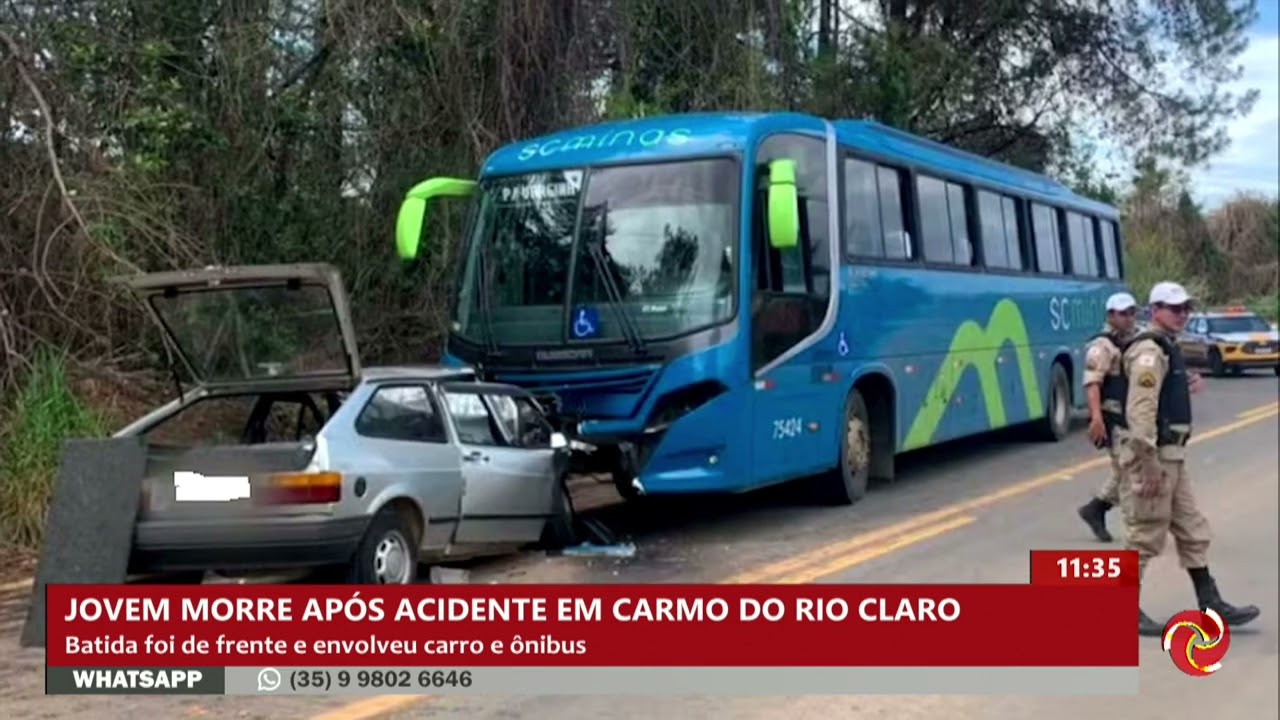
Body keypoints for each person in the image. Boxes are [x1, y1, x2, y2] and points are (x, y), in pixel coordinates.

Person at [1118, 281, 1261, 636]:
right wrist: (1148, 462)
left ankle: (1210, 602)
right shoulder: (1149, 352)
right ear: (1155, 311)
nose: (1182, 314)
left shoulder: (1167, 347)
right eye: (1174, 308)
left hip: (1173, 456)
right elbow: (1140, 411)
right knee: (1144, 533)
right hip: (1155, 457)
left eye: (1186, 308)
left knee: (1191, 529)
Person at [1076, 291, 1140, 542]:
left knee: (1125, 469)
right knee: (1129, 475)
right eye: (1123, 313)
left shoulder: (1132, 341)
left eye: (1131, 312)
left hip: (1131, 417)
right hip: (1114, 419)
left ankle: (1096, 509)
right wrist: (1096, 418)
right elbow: (1092, 383)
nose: (1128, 318)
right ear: (1111, 316)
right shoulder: (1101, 347)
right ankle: (1136, 533)